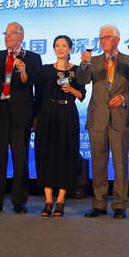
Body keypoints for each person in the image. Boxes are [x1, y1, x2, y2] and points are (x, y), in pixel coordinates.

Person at [77, 25, 129, 220]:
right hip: (97, 118)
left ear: (117, 39)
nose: (103, 41)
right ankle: (99, 204)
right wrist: (83, 64)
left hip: (119, 118)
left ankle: (120, 205)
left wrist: (123, 98)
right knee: (98, 164)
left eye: (107, 37)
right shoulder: (94, 61)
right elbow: (82, 80)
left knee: (120, 164)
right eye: (101, 38)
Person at [0, 22, 42, 214]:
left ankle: (19, 201)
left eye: (12, 33)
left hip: (20, 113)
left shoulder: (32, 58)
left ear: (21, 36)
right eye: (5, 33)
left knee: (20, 159)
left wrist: (36, 116)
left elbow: (37, 86)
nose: (7, 37)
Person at [34, 35, 86, 217]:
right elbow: (38, 94)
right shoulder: (45, 70)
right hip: (47, 114)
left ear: (70, 49)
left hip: (67, 114)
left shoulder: (77, 71)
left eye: (64, 45)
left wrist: (71, 89)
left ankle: (61, 199)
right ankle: (48, 200)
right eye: (57, 45)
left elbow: (82, 95)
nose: (60, 49)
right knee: (46, 154)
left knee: (66, 154)